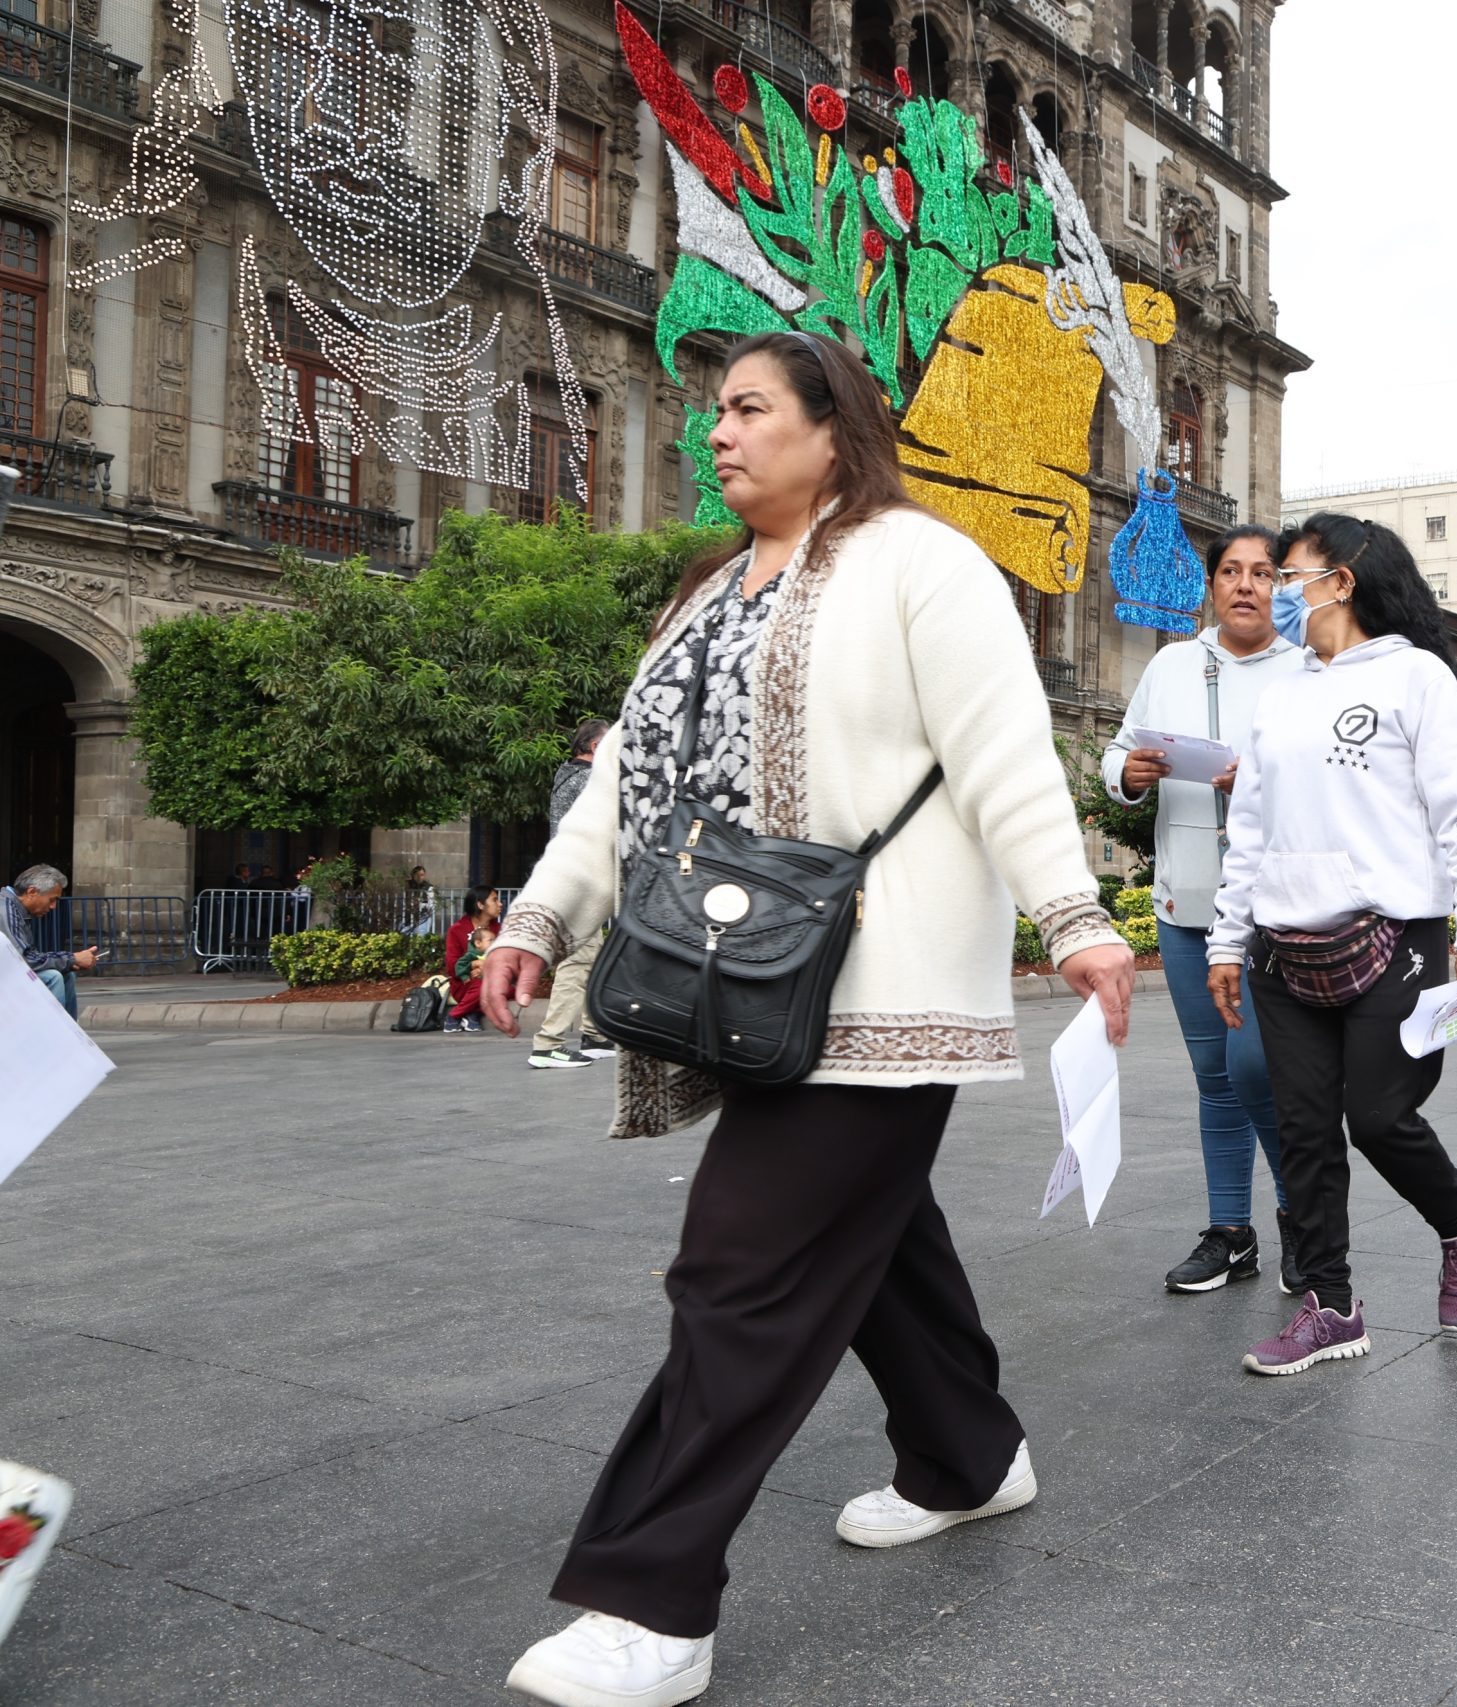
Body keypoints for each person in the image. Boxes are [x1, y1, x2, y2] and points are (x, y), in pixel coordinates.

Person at [479, 330, 1134, 1707]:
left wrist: (1074, 918)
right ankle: (968, 1455)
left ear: (835, 428)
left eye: (750, 409)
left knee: (741, 1269)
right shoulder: (706, 592)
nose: (718, 433)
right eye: (712, 412)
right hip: (742, 986)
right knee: (871, 1242)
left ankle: (649, 1598)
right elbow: (617, 786)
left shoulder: (923, 560)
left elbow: (1005, 749)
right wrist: (539, 914)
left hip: (883, 990)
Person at [1207, 513, 1457, 1378]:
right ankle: (1329, 1305)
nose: (1275, 590)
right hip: (1281, 946)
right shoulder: (1282, 693)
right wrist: (1229, 941)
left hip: (1396, 936)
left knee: (1377, 1115)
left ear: (1340, 581)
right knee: (1303, 1130)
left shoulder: (1417, 677)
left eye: (1290, 574)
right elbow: (1251, 828)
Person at [1102, 524, 1301, 1295]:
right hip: (1186, 900)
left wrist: (1256, 780)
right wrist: (1134, 769)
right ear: (1211, 585)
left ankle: (1300, 1214)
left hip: (1276, 910)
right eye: (1231, 571)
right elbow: (1116, 755)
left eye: (1261, 573)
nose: (1246, 585)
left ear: (1279, 587)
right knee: (1215, 1075)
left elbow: (1331, 781)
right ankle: (1231, 1232)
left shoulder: (1305, 671)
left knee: (1259, 1069)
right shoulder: (1172, 664)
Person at [526, 719, 618, 1068]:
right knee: (577, 960)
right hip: (577, 882)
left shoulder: (571, 779)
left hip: (577, 881)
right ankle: (548, 1044)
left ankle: (594, 1035)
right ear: (596, 748)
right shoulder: (586, 782)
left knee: (592, 956)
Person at [2, 865, 94, 1016]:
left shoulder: (14, 908)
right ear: (32, 892)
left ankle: (70, 1033)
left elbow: (28, 956)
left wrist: (69, 961)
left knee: (66, 975)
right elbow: (25, 959)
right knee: (53, 977)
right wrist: (72, 958)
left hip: (7, 972)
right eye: (52, 900)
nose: (53, 906)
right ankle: (55, 1034)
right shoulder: (6, 909)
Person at [441, 886, 503, 1033]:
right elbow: (452, 966)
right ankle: (458, 1015)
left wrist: (487, 967)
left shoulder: (500, 929)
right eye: (494, 900)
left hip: (493, 979)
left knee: (508, 989)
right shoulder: (457, 930)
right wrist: (474, 964)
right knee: (485, 986)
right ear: (480, 905)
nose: (500, 904)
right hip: (465, 981)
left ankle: (472, 1013)